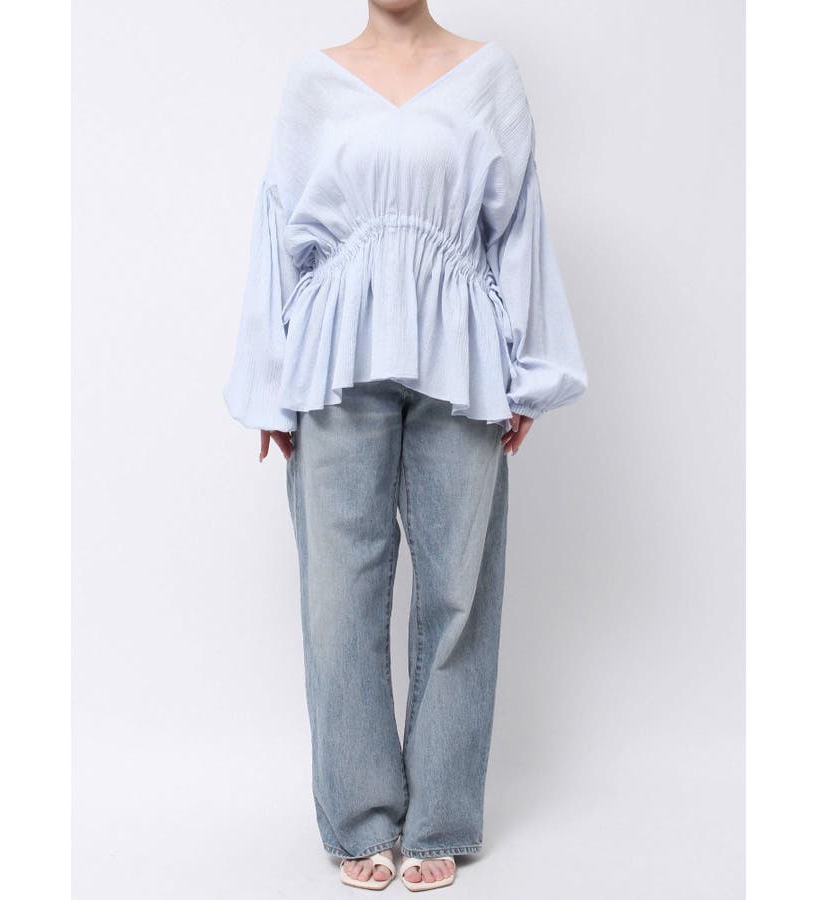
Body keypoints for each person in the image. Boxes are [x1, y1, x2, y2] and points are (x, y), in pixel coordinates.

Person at [223, 3, 586, 891]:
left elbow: (518, 224)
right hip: (335, 353)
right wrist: (270, 382)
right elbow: (280, 224)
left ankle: (441, 818)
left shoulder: (488, 74)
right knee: (337, 594)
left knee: (459, 588)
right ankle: (360, 819)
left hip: (460, 349)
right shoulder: (314, 80)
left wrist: (528, 370)